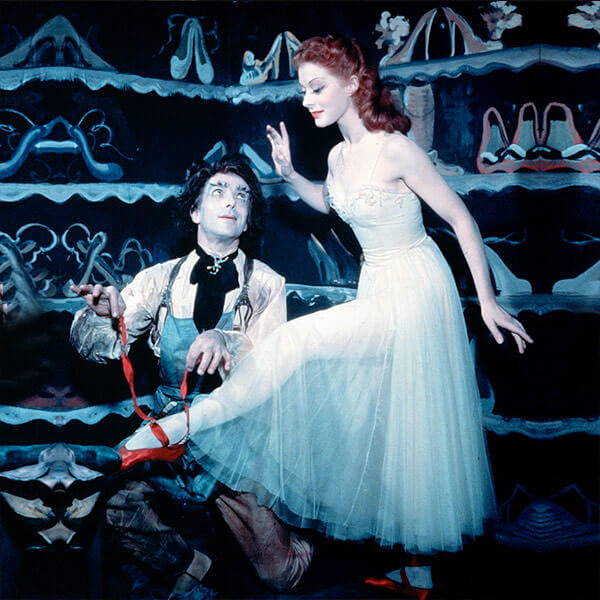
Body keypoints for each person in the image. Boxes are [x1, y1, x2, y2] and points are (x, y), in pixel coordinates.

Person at [121, 36, 533, 598]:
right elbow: (332, 202)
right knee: (384, 421)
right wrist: (291, 175)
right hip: (376, 285)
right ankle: (417, 568)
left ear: (355, 83)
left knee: (298, 344)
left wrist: (485, 300)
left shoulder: (395, 149)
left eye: (317, 88)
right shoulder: (338, 157)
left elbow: (461, 219)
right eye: (304, 90)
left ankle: (179, 426)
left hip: (415, 289)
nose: (308, 100)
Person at [70, 154, 314, 597]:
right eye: (218, 191)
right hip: (170, 428)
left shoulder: (267, 283)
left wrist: (227, 341)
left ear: (248, 219)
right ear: (196, 211)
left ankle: (307, 535)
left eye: (242, 196)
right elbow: (102, 349)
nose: (232, 201)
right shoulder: (158, 280)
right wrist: (104, 317)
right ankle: (192, 566)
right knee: (107, 499)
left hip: (235, 435)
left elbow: (271, 364)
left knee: (280, 574)